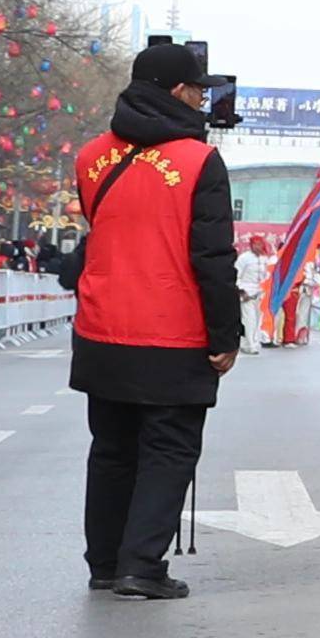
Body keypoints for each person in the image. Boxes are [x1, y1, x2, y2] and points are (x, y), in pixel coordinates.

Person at [72, 39, 244, 594]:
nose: (203, 101)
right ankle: (142, 565)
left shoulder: (91, 155)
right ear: (178, 92)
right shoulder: (199, 161)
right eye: (199, 90)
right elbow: (212, 257)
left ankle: (104, 562)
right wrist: (226, 334)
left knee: (112, 448)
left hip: (101, 326)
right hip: (172, 329)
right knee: (168, 450)